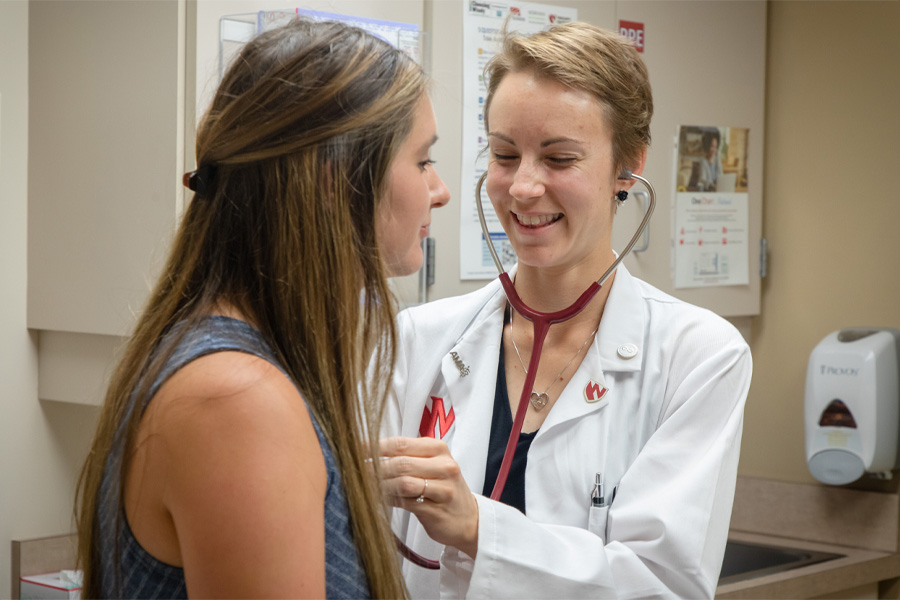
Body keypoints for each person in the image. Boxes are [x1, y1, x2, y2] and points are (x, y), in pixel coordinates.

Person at [75, 17, 449, 599]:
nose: (439, 189)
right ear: (336, 183)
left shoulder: (236, 365)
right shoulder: (237, 399)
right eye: (422, 161)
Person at [379, 22, 751, 599]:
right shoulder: (417, 339)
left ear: (627, 166)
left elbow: (661, 583)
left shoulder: (698, 355)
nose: (523, 187)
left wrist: (480, 529)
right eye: (504, 154)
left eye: (558, 158)